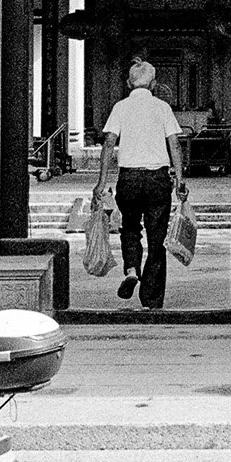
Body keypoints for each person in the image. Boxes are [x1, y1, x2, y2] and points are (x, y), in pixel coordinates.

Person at [92, 59, 187, 310]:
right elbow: (174, 144)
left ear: (128, 83)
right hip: (157, 179)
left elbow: (109, 143)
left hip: (129, 179)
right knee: (157, 239)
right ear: (154, 84)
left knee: (130, 229)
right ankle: (152, 299)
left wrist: (101, 183)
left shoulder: (120, 107)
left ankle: (132, 269)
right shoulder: (162, 107)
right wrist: (180, 178)